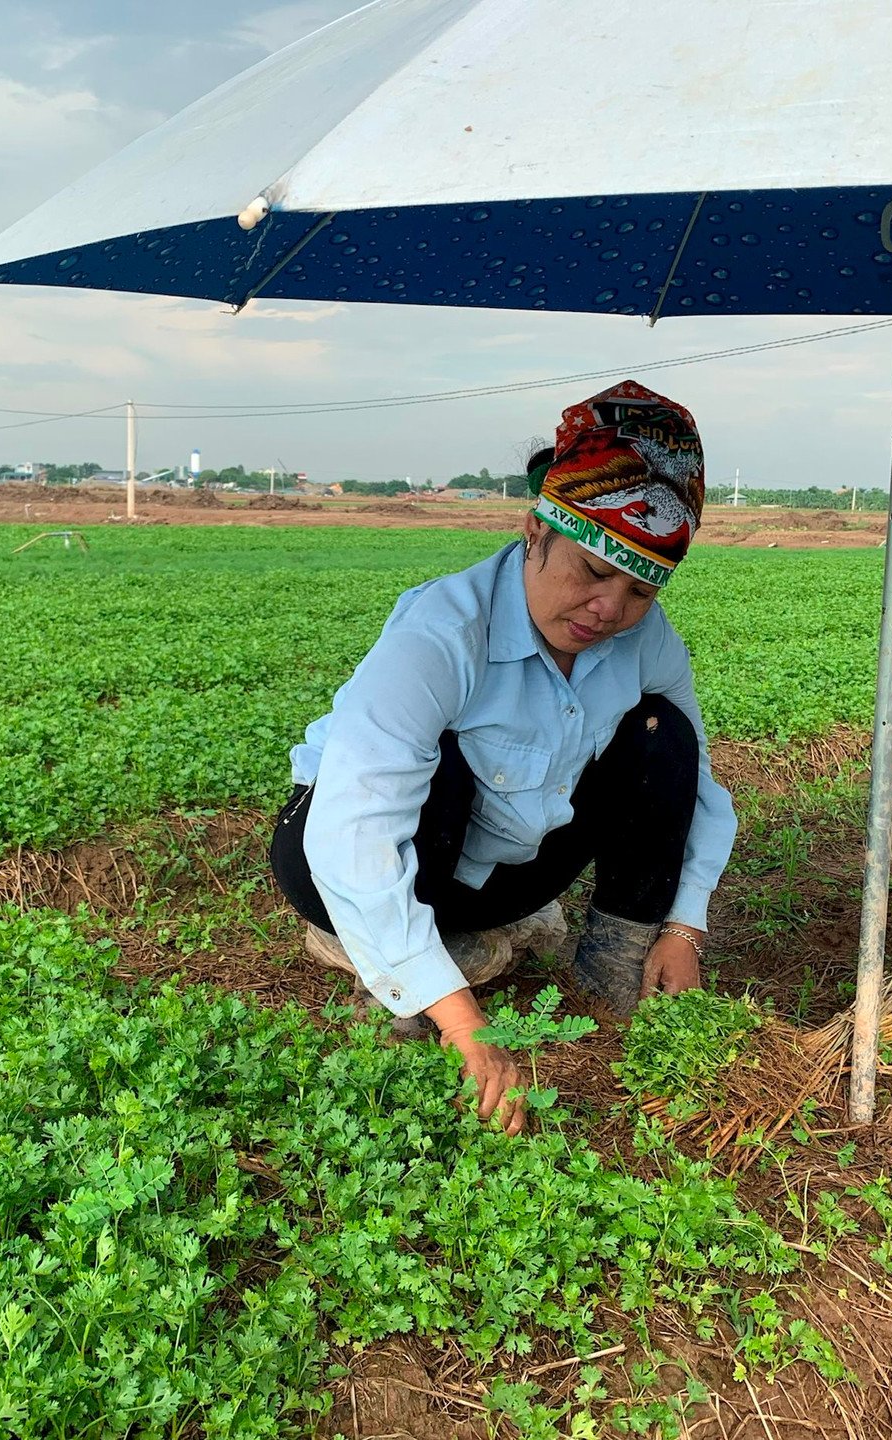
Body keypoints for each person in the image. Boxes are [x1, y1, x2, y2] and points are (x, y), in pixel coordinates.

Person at [269, 381, 736, 1134]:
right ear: (533, 530)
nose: (609, 609)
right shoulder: (443, 634)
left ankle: (614, 962)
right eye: (591, 570)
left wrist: (684, 928)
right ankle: (405, 983)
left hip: (502, 870)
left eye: (641, 588)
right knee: (444, 763)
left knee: (663, 733)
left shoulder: (643, 640)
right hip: (345, 854)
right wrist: (467, 1027)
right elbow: (352, 830)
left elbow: (696, 784)